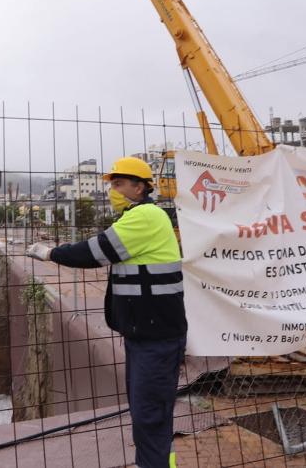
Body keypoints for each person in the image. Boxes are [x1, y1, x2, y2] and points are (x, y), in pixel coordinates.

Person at [26, 157, 186, 468]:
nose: (113, 190)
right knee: (147, 412)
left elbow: (95, 252)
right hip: (146, 334)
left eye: (119, 184)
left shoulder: (146, 216)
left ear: (139, 187)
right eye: (111, 184)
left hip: (156, 337)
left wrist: (50, 253)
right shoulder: (137, 217)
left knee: (149, 413)